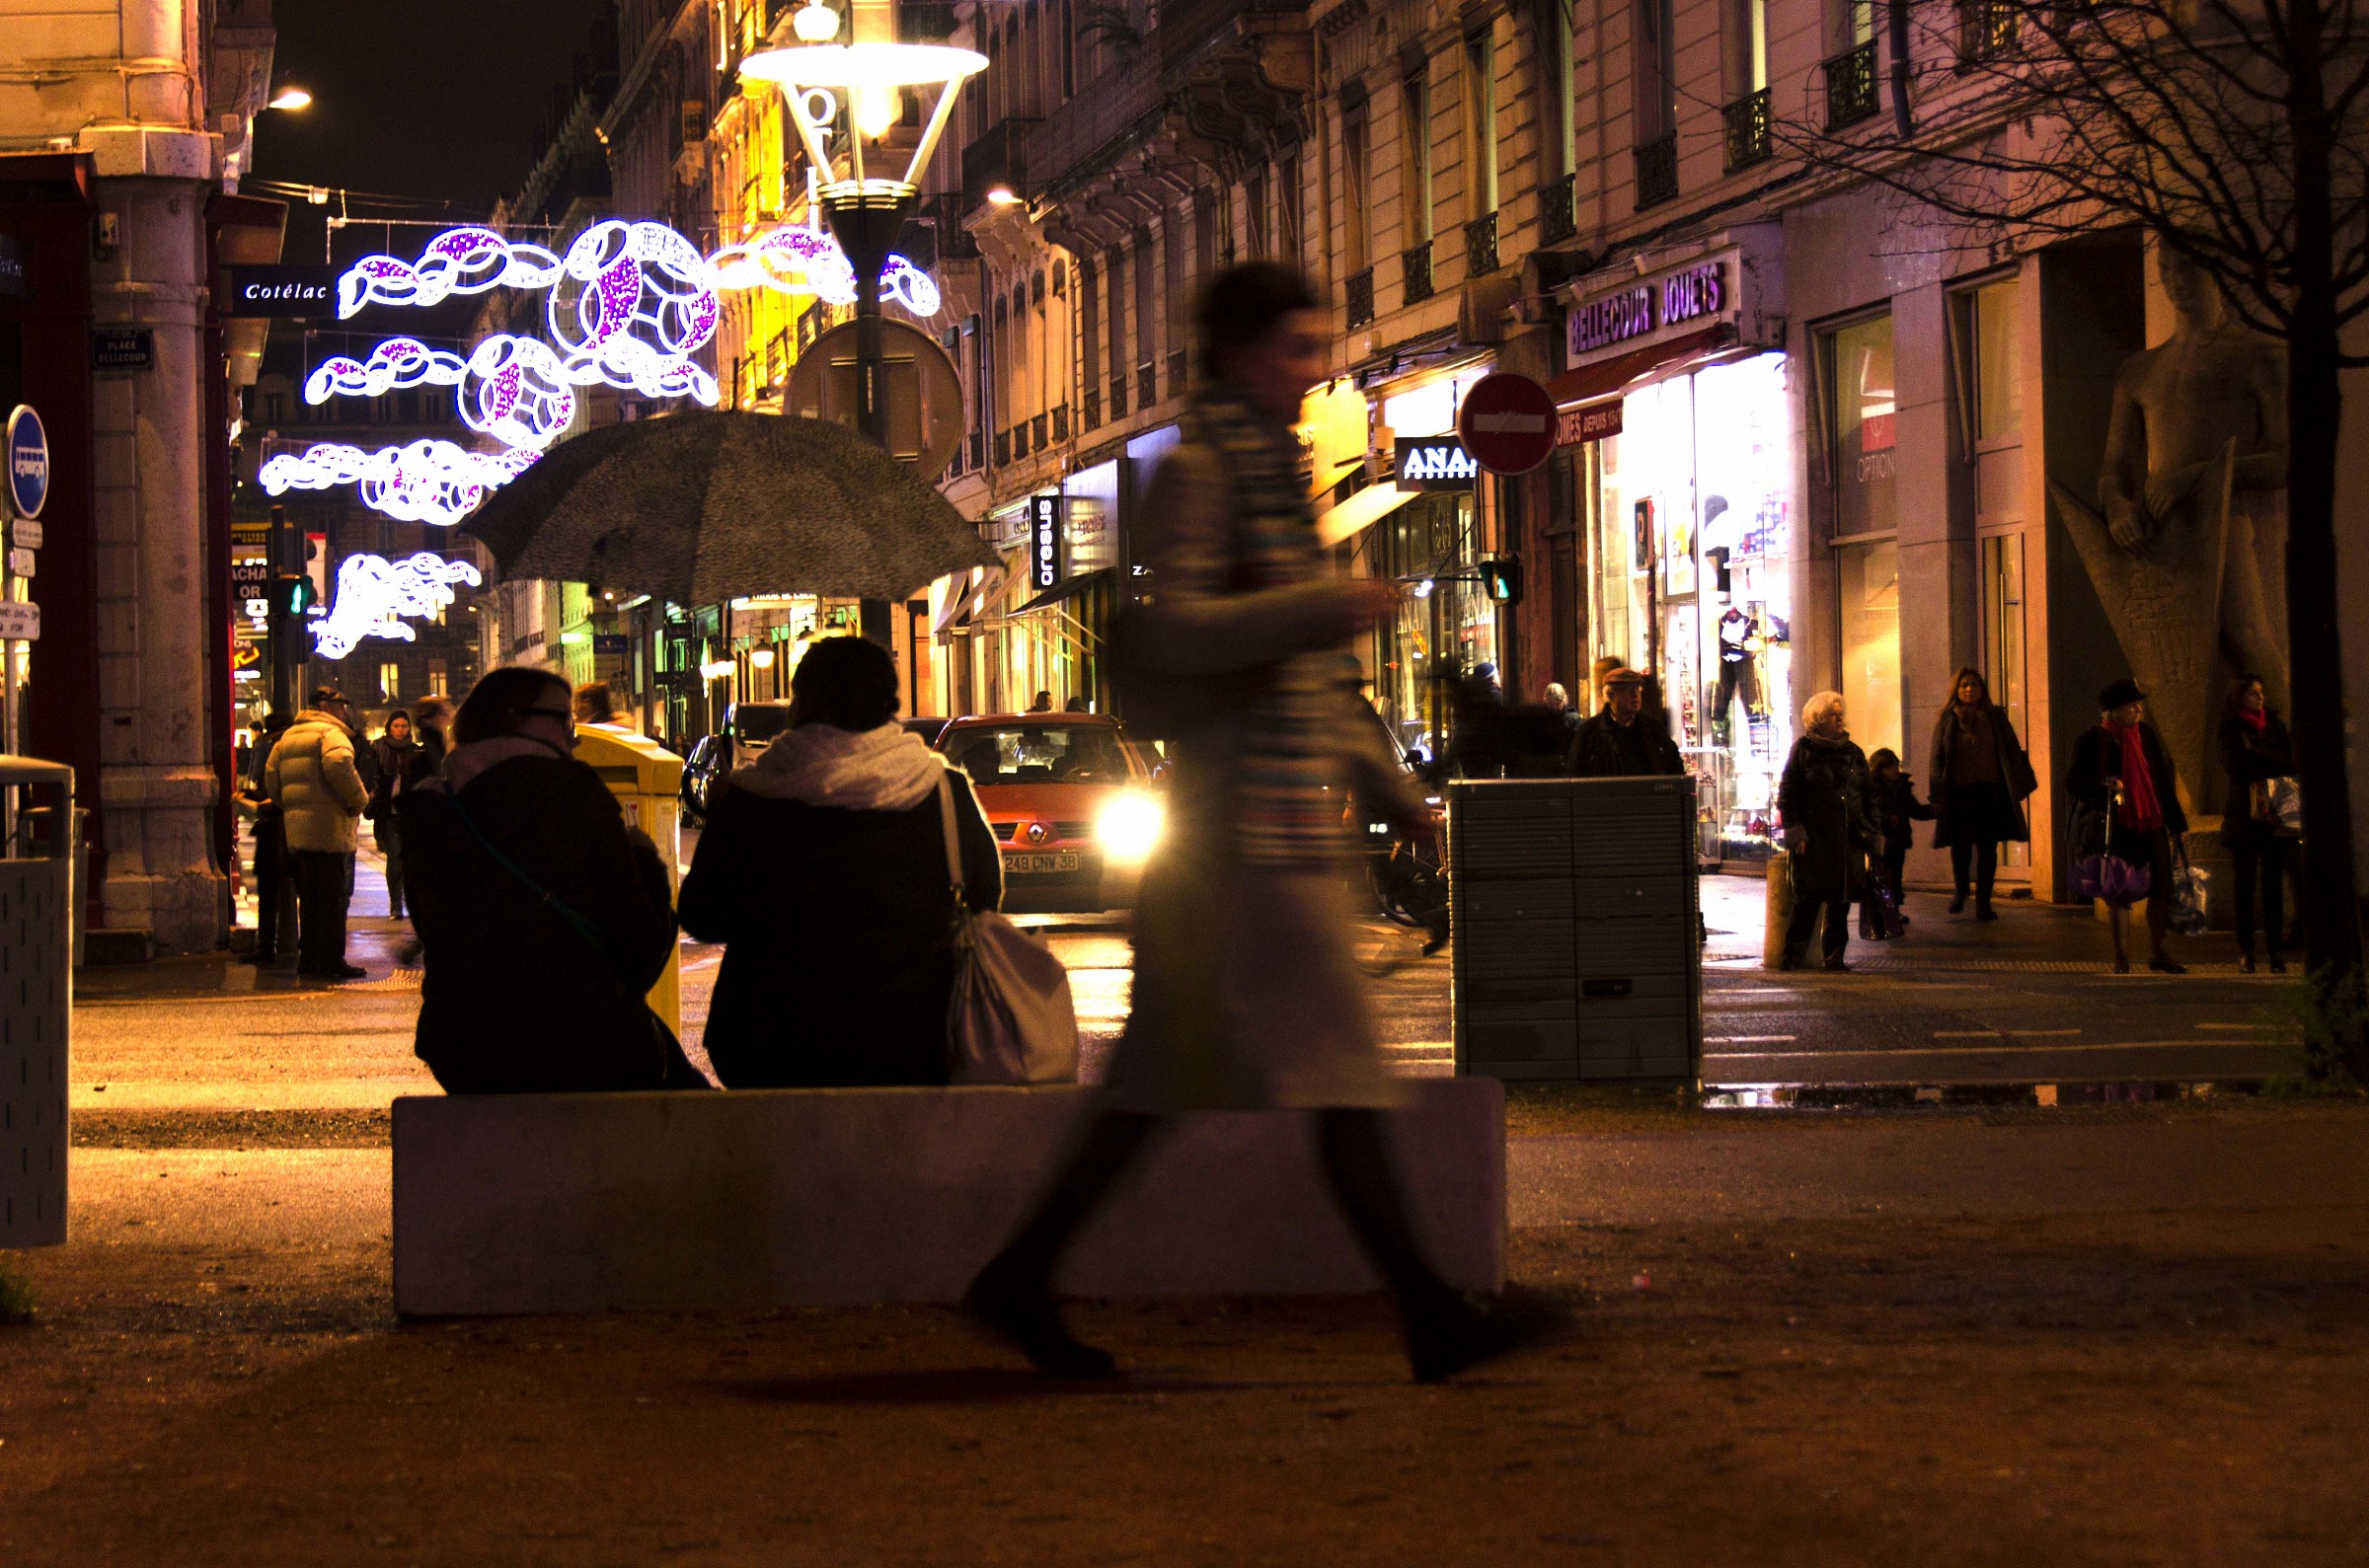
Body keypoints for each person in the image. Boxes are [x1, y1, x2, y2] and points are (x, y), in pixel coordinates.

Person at [966, 262, 1542, 1385]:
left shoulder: (1278, 474)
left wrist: (1384, 784)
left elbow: (1309, 675)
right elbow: (1179, 631)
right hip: (1240, 841)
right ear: (1235, 351)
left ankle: (1022, 1275)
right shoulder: (1203, 472)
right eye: (1295, 347)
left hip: (1263, 833)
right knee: (1333, 1075)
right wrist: (1319, 605)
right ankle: (1430, 1313)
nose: (1312, 371)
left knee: (1167, 1088)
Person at [677, 637, 1001, 1085]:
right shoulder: (941, 791)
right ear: (888, 702)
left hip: (771, 1044)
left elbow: (703, 915)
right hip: (913, 1040)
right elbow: (984, 897)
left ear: (806, 703)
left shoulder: (754, 796)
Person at [398, 666, 704, 1092]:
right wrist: (645, 858)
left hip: (465, 1051)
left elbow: (437, 934)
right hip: (578, 1045)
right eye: (564, 722)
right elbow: (642, 948)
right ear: (512, 716)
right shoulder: (574, 794)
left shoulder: (432, 809)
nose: (574, 739)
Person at [2066, 677, 2190, 975]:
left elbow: (2161, 780)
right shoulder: (2094, 739)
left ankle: (2159, 952)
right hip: (2118, 825)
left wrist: (2177, 823)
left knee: (2160, 887)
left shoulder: (2145, 735)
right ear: (2114, 709)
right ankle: (2121, 958)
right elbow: (2073, 782)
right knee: (2119, 892)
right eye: (2131, 705)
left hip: (2152, 821)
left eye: (2138, 704)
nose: (2138, 709)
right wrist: (2103, 789)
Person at [263, 687, 371, 981]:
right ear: (325, 707)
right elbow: (339, 764)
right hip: (330, 831)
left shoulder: (288, 737)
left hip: (300, 833)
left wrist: (290, 805)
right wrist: (359, 800)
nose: (344, 710)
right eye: (340, 705)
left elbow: (271, 778)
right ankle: (332, 960)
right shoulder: (330, 734)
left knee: (309, 900)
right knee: (333, 899)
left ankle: (309, 959)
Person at [1777, 691, 1881, 971]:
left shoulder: (1854, 753)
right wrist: (1796, 831)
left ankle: (1835, 956)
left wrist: (1872, 832)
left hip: (1848, 839)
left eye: (1840, 714)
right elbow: (1788, 793)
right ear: (1818, 719)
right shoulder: (1803, 751)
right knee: (1808, 901)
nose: (1839, 719)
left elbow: (1868, 795)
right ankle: (1792, 956)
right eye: (1833, 715)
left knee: (1841, 900)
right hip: (1815, 839)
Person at [1928, 668, 2038, 920]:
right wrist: (1936, 794)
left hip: (1991, 791)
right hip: (1960, 793)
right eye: (1964, 685)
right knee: (1961, 846)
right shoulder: (1948, 718)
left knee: (1988, 848)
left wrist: (2018, 779)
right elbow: (1937, 758)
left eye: (1974, 685)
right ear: (1956, 690)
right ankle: (1962, 888)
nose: (1970, 689)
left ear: (1982, 689)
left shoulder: (1995, 716)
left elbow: (2011, 748)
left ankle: (1983, 904)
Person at [2218, 673, 2294, 973]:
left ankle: (2275, 950)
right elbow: (2236, 767)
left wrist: (2258, 753)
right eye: (2252, 693)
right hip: (2244, 815)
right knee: (2244, 884)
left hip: (2275, 813)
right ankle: (2246, 949)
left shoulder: (2275, 725)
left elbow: (2291, 762)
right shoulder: (2231, 727)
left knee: (2273, 883)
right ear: (2239, 697)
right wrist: (2268, 760)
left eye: (2261, 692)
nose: (2259, 697)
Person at [235, 711, 296, 964]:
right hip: (287, 829)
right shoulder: (289, 750)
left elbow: (270, 793)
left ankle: (267, 945)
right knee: (280, 890)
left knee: (269, 892)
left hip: (275, 830)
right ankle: (277, 944)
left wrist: (251, 799)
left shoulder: (270, 750)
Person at [1567, 667, 1684, 778]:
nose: (1635, 695)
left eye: (1637, 689)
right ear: (1611, 695)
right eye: (1628, 691)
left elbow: (1674, 766)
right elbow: (1577, 775)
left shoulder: (1653, 727)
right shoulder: (1589, 732)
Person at [1866, 747, 1933, 928]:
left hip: (1898, 839)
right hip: (1880, 841)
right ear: (1881, 769)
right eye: (1892, 766)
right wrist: (1887, 819)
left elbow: (1914, 809)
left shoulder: (1901, 787)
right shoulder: (1872, 789)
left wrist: (1933, 811)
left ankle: (1892, 910)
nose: (1896, 769)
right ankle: (1882, 912)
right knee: (1881, 876)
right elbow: (1869, 813)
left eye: (1897, 765)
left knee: (1895, 876)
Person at [368, 711, 420, 921]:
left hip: (409, 814)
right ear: (389, 727)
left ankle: (409, 904)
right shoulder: (378, 749)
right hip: (387, 814)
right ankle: (396, 906)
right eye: (396, 726)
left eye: (404, 726)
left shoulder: (415, 751)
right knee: (395, 859)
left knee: (409, 861)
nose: (400, 730)